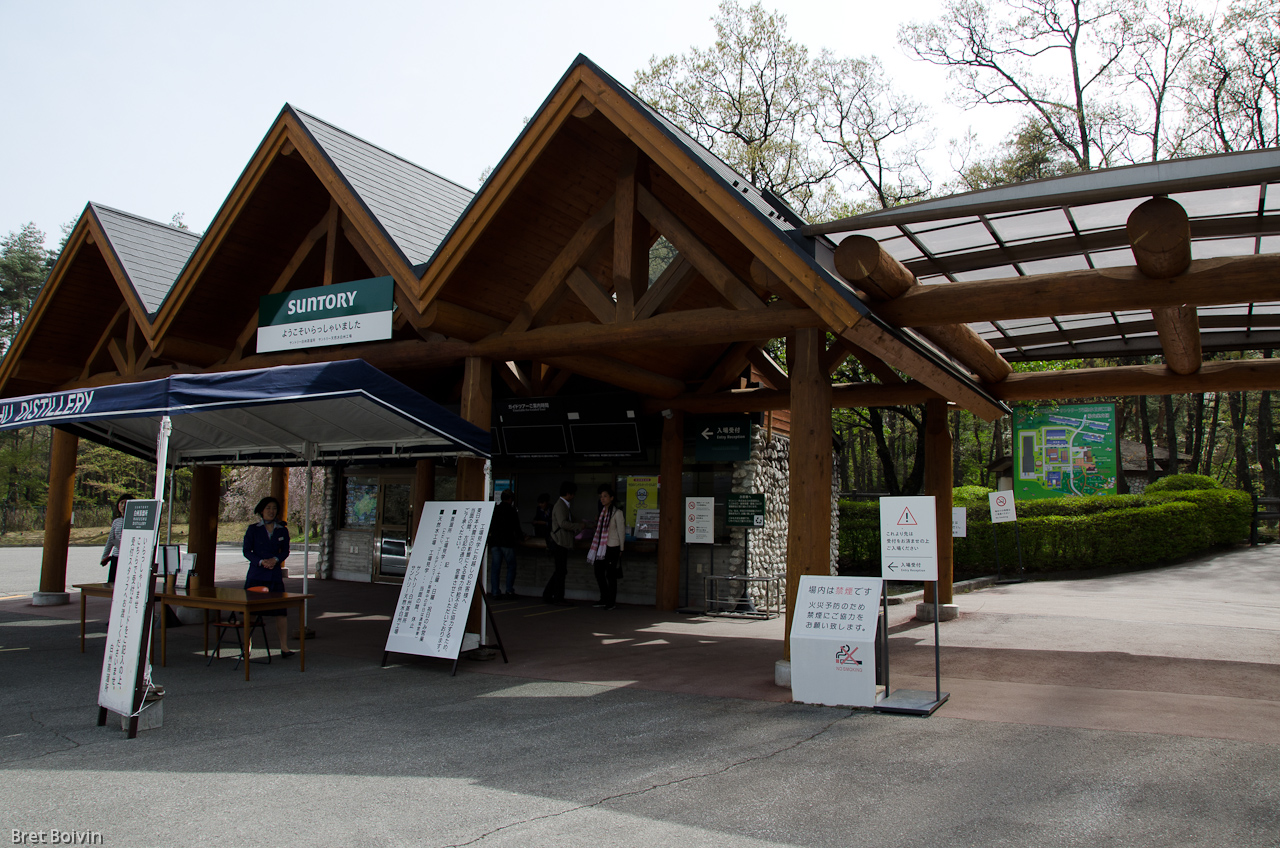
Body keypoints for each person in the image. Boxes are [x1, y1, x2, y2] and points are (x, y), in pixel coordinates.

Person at [242, 496, 294, 657]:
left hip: (275, 575)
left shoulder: (282, 530)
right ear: (261, 510)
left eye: (274, 508)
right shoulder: (253, 529)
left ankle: (284, 647)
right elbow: (246, 551)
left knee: (280, 612)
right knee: (250, 612)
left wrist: (276, 560)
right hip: (257, 574)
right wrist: (261, 562)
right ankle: (246, 646)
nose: (271, 511)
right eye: (268, 508)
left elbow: (285, 550)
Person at [542, 481, 580, 605]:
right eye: (573, 494)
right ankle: (556, 596)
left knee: (560, 570)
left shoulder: (564, 505)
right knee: (561, 570)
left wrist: (584, 524)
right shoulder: (560, 506)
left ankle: (550, 595)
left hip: (561, 541)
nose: (574, 496)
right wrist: (579, 526)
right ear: (569, 493)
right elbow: (563, 523)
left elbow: (571, 519)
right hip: (560, 542)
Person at [588, 485, 625, 610]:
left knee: (611, 575)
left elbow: (621, 532)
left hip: (612, 546)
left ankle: (611, 601)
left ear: (611, 498)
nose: (602, 499)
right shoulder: (602, 513)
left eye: (605, 496)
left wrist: (621, 549)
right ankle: (604, 598)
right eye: (601, 497)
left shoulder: (617, 513)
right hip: (601, 547)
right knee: (598, 571)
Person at [488, 489, 524, 598]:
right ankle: (509, 590)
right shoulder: (512, 510)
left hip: (495, 542)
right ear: (510, 499)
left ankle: (495, 591)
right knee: (511, 566)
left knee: (495, 568)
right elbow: (516, 527)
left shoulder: (495, 509)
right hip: (507, 542)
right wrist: (521, 537)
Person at [99, 494, 131, 584]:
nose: (123, 505)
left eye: (126, 503)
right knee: (112, 584)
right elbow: (111, 540)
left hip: (130, 558)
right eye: (121, 503)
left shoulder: (136, 521)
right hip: (116, 557)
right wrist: (104, 556)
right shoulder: (116, 522)